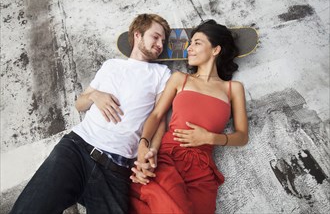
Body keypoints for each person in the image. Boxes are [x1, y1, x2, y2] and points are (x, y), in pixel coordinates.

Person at [10, 13, 171, 214]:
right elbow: (80, 104)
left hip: (116, 170)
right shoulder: (111, 65)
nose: (160, 44)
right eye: (155, 37)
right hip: (77, 149)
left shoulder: (161, 74)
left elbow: (159, 118)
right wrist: (96, 95)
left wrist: (149, 150)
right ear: (138, 35)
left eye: (163, 41)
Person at [130, 19, 249, 214]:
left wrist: (210, 138)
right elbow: (157, 114)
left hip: (202, 169)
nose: (189, 49)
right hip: (168, 157)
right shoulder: (180, 79)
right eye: (189, 43)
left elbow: (242, 135)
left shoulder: (233, 88)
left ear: (216, 50)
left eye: (197, 43)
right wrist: (143, 144)